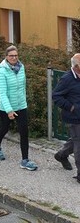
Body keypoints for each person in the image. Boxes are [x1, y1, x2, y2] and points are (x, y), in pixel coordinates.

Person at [0, 45, 38, 171]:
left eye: (16, 55)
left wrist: (24, 102)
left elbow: (22, 87)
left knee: (24, 132)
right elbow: (2, 93)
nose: (14, 58)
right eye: (11, 56)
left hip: (21, 106)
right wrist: (9, 110)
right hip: (6, 107)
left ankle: (25, 160)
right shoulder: (2, 71)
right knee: (4, 128)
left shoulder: (21, 67)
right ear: (6, 57)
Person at [52, 53, 80, 182]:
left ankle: (61, 155)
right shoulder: (67, 79)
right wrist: (71, 107)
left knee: (75, 140)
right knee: (78, 143)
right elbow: (56, 96)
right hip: (74, 117)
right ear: (76, 66)